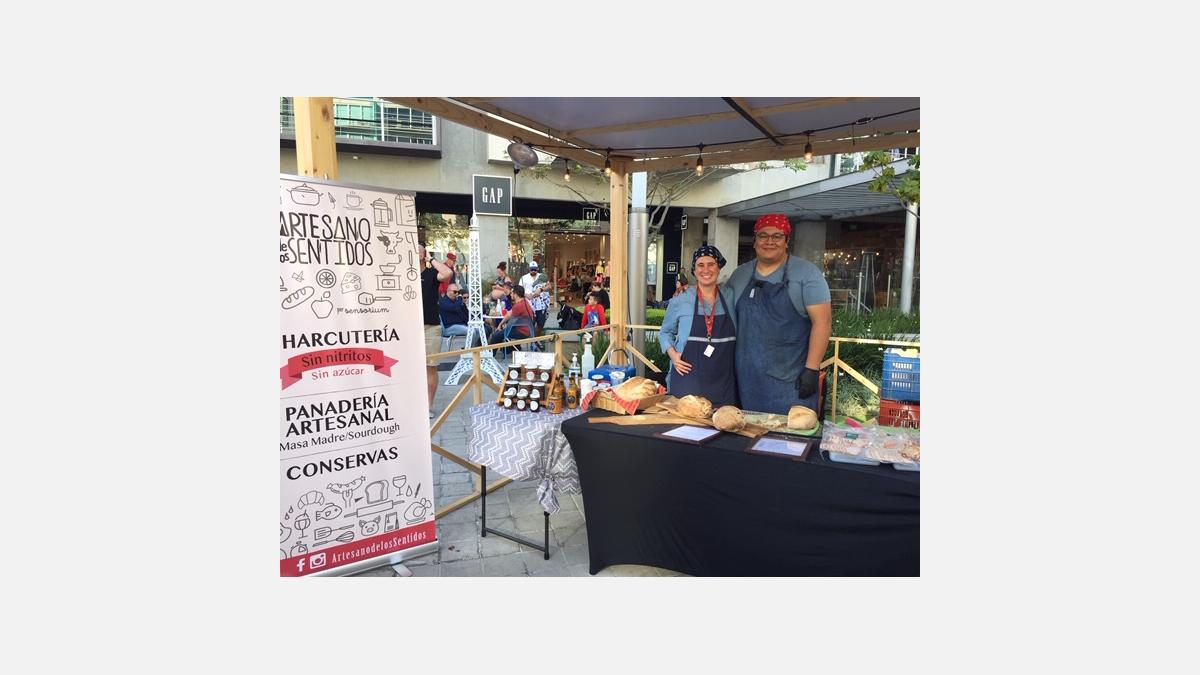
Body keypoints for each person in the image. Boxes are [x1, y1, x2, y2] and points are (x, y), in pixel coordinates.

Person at [726, 213, 832, 415]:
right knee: (749, 432)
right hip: (746, 380)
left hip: (791, 381)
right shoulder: (740, 275)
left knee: (789, 433)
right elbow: (720, 311)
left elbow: (823, 323)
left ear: (786, 241)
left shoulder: (807, 274)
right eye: (763, 235)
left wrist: (811, 368)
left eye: (777, 236)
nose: (769, 242)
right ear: (755, 240)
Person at [658, 245, 738, 407]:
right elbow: (665, 332)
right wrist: (673, 355)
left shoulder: (731, 296)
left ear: (719, 268)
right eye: (700, 265)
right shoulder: (681, 300)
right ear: (694, 271)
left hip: (723, 381)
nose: (706, 270)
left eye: (711, 264)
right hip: (688, 377)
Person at [419, 244, 454, 417]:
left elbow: (447, 274)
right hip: (408, 328)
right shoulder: (403, 274)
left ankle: (428, 406)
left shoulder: (432, 273)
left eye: (418, 249)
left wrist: (430, 259)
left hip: (430, 327)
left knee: (430, 367)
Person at [519, 261, 550, 335]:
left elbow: (549, 286)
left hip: (540, 304)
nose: (533, 271)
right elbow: (519, 290)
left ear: (537, 269)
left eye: (535, 269)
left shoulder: (542, 276)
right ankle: (532, 338)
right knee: (530, 322)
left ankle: (536, 337)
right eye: (531, 269)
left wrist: (541, 290)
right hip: (529, 304)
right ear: (529, 269)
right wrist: (526, 295)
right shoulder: (524, 278)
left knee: (541, 323)